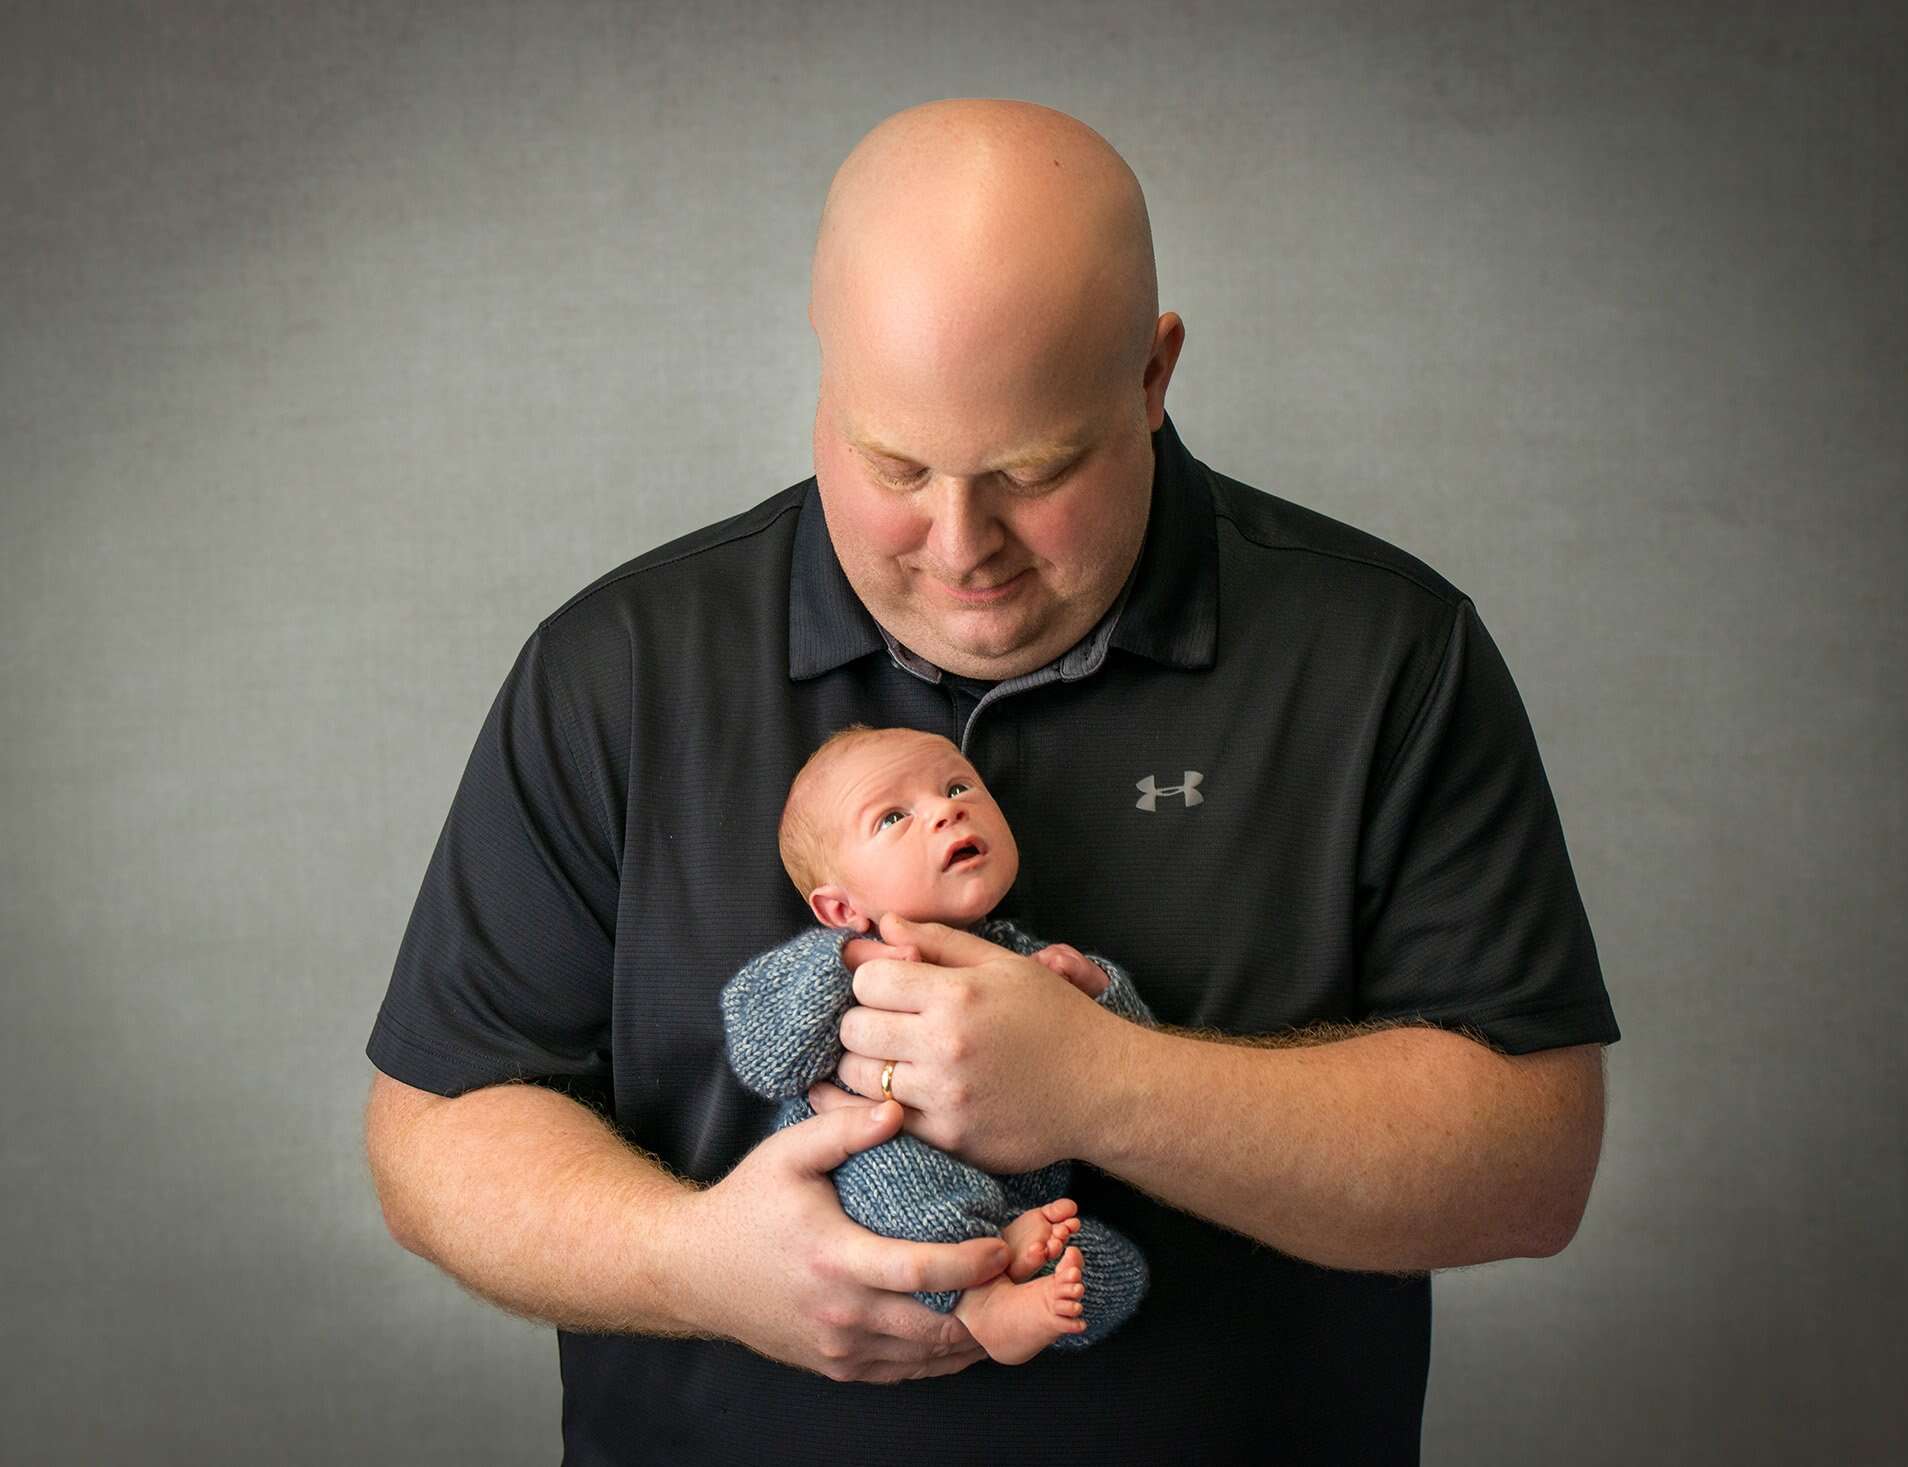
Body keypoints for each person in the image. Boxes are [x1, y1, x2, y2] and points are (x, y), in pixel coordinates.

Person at [363, 96, 1620, 1462]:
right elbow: (439, 1122)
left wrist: (1102, 1084)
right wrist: (693, 1259)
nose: (962, 547)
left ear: (1153, 376)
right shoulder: (615, 664)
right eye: (894, 461)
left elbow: (1530, 1162)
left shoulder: (1386, 653)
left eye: (1034, 469)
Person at [720, 723, 1157, 1364]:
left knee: (1117, 1273)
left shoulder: (1025, 963)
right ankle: (980, 1298)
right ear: (840, 908)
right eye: (893, 816)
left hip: (1018, 1200)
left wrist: (1095, 989)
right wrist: (846, 963)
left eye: (957, 787)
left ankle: (1012, 1266)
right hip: (865, 1175)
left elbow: (1142, 1065)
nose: (948, 809)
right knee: (882, 1164)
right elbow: (764, 1058)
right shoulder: (837, 963)